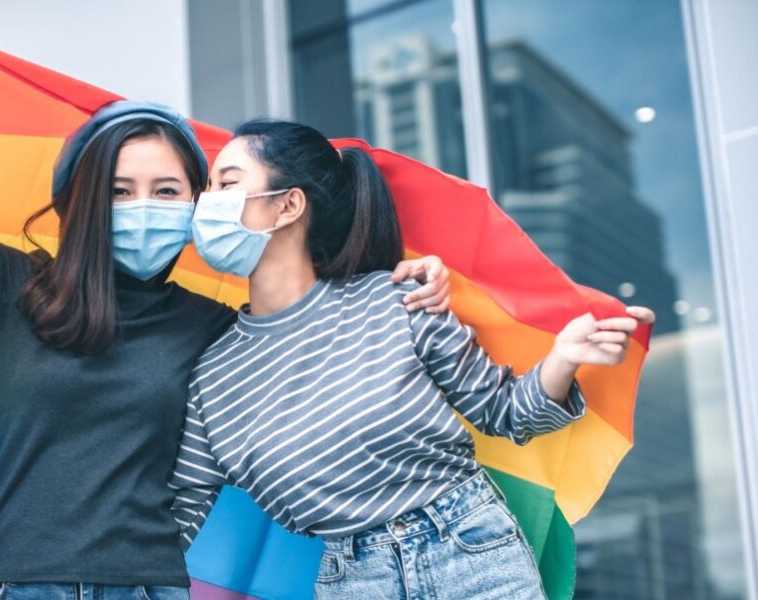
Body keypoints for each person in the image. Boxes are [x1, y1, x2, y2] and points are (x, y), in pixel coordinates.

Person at [0, 11, 451, 599]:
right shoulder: (11, 283)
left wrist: (402, 285)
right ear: (84, 200)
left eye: (166, 190)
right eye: (119, 191)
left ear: (197, 204)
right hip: (16, 580)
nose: (142, 206)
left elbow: (331, 357)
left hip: (150, 585)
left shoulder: (216, 328)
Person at [170, 119, 656, 599]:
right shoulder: (213, 375)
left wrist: (564, 357)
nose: (205, 202)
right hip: (352, 581)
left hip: (472, 552)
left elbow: (504, 412)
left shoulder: (397, 301)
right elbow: (176, 511)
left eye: (226, 183)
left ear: (289, 204)